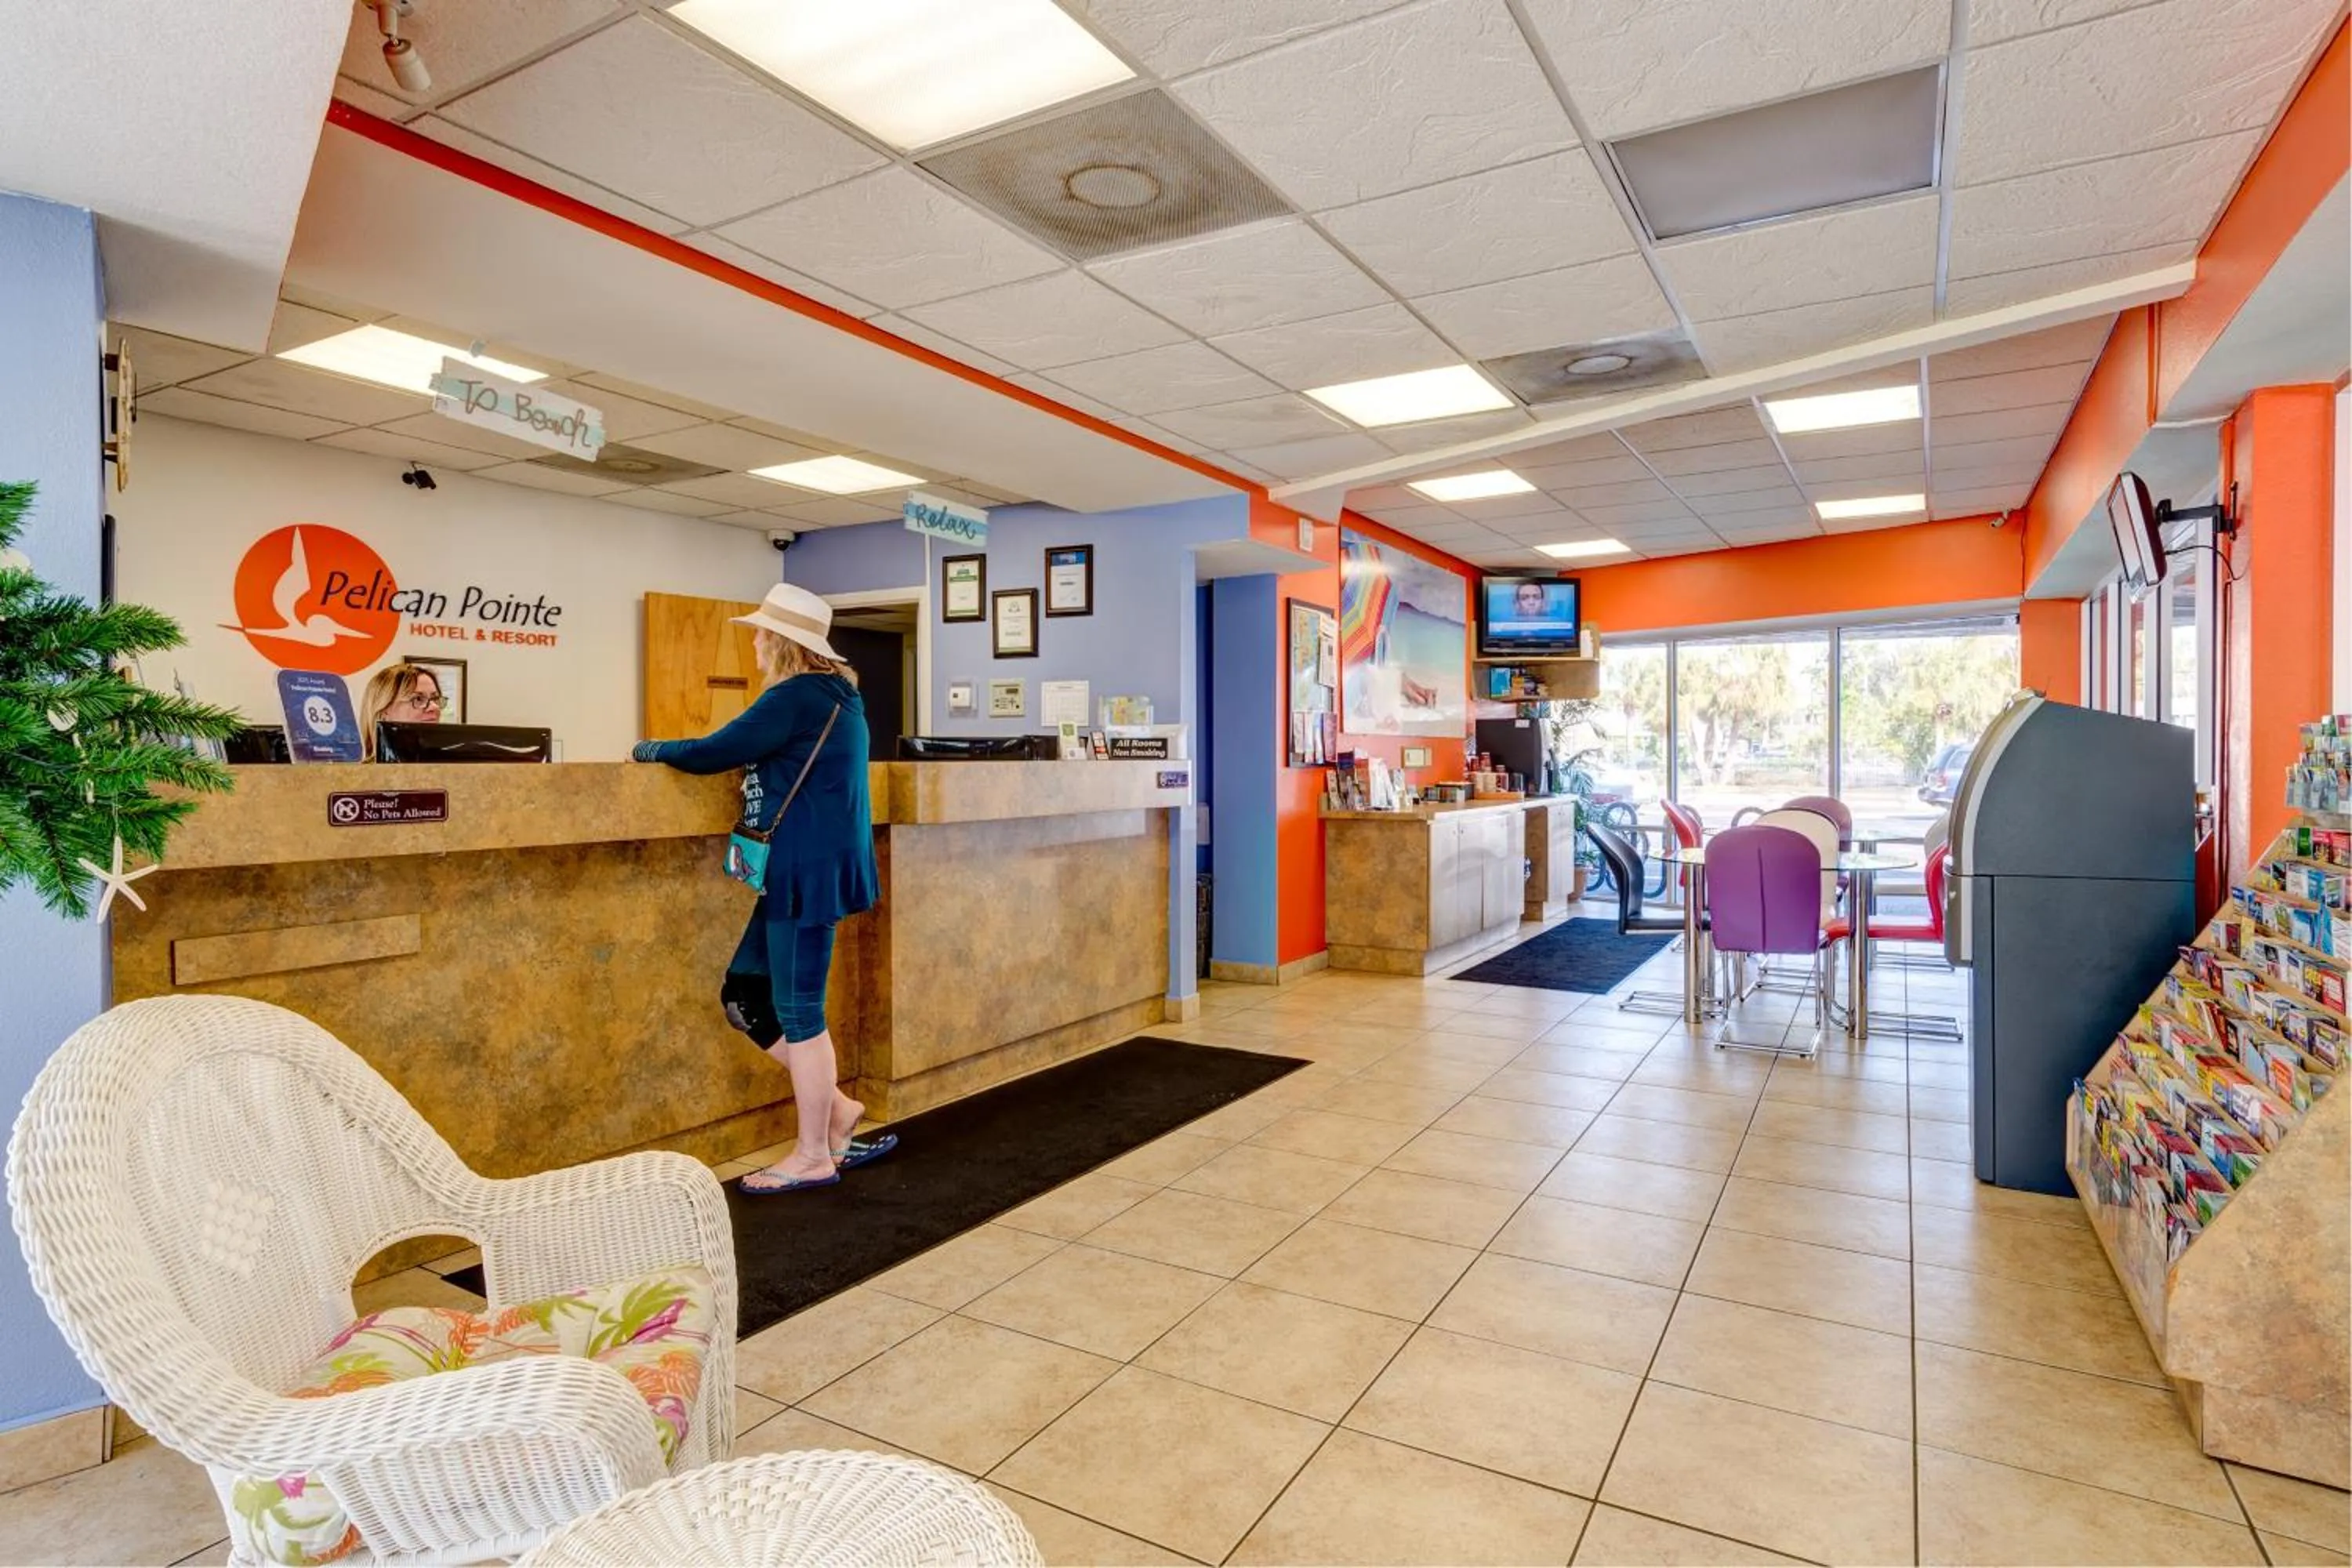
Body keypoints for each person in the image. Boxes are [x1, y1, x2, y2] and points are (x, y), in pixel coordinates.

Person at [631, 583, 887, 1195]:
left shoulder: (798, 695)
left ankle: (812, 1154)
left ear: (781, 641)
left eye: (759, 631)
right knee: (744, 995)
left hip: (803, 871)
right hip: (807, 870)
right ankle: (838, 1111)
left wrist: (649, 748)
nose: (752, 640)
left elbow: (713, 752)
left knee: (800, 1013)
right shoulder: (839, 696)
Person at [360, 662, 444, 760]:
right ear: (384, 711)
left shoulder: (451, 767)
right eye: (418, 699)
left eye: (435, 698)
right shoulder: (359, 774)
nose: (434, 707)